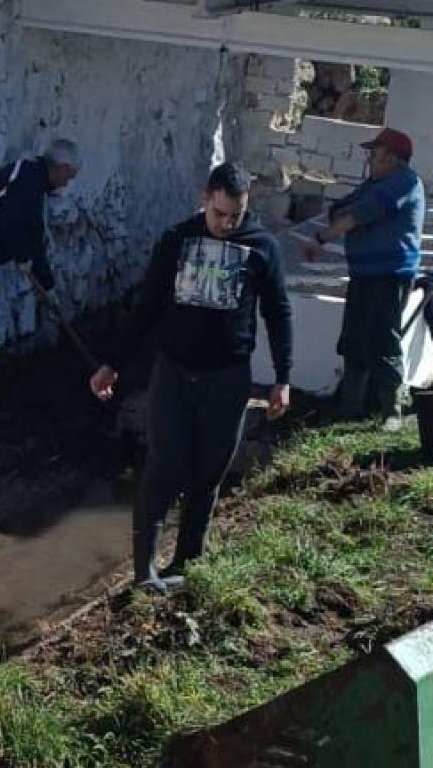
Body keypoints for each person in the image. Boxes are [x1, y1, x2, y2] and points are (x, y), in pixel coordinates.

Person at [90, 161, 293, 593]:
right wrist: (113, 362)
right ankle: (144, 572)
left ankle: (187, 563)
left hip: (229, 376)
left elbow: (278, 313)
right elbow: (146, 307)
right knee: (163, 466)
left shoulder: (261, 247)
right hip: (175, 372)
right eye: (219, 213)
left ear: (245, 206)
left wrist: (283, 377)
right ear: (205, 198)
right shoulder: (177, 241)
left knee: (208, 473)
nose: (226, 223)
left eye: (234, 216)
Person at [0, 136, 81, 433]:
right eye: (68, 177)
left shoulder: (31, 183)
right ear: (60, 167)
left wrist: (48, 287)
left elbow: (34, 239)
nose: (66, 184)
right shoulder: (25, 179)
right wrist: (22, 257)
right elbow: (14, 225)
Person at [305, 127, 425, 429]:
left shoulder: (403, 183)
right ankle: (350, 407)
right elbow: (341, 209)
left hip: (389, 275)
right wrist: (346, 216)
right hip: (364, 274)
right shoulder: (374, 184)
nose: (370, 160)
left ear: (393, 159)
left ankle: (392, 411)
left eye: (375, 154)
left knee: (384, 341)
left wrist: (320, 239)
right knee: (354, 341)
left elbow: (357, 214)